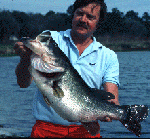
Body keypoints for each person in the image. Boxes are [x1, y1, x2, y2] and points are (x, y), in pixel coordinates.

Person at [14, 0, 120, 138]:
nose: (83, 20)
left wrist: (113, 111)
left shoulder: (108, 56)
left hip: (86, 131)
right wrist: (25, 58)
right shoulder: (50, 39)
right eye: (79, 13)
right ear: (73, 15)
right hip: (45, 130)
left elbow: (112, 98)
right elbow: (23, 83)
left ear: (98, 23)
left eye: (90, 17)